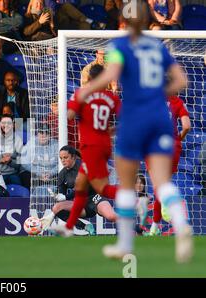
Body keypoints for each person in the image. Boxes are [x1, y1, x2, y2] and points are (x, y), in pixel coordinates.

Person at [75, 0, 192, 263]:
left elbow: (111, 75)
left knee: (127, 185)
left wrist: (87, 90)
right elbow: (182, 80)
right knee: (161, 182)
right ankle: (183, 226)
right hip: (160, 119)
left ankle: (125, 244)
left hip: (135, 117)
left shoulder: (121, 46)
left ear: (124, 22)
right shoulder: (156, 46)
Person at [45, 65, 120, 236]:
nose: (63, 161)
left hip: (90, 148)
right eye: (61, 158)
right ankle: (77, 226)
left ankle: (134, 200)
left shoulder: (81, 94)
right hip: (104, 147)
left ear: (89, 79)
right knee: (80, 191)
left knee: (97, 189)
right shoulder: (111, 97)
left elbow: (69, 115)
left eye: (65, 157)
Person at [146, 94, 191, 236]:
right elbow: (187, 126)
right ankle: (155, 227)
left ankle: (162, 209)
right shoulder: (177, 101)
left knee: (157, 185)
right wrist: (179, 138)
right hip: (173, 145)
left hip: (154, 145)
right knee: (162, 184)